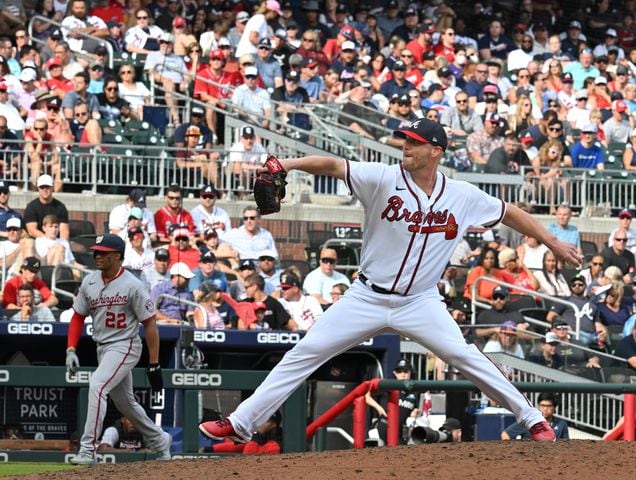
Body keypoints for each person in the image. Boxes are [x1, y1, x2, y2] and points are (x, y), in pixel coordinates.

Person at [199, 118, 581, 444]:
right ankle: (241, 422)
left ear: (436, 150)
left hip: (420, 302)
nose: (406, 147)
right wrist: (288, 162)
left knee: (463, 355)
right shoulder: (382, 178)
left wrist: (551, 240)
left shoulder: (462, 195)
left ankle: (532, 418)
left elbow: (509, 212)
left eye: (414, 143)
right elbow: (333, 165)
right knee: (305, 352)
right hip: (366, 296)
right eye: (405, 141)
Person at [65, 235, 171, 465]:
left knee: (97, 386)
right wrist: (71, 348)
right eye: (96, 252)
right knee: (126, 404)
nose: (97, 256)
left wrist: (154, 363)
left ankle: (87, 450)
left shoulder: (133, 284)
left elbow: (150, 324)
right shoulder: (90, 282)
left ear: (117, 256)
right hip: (102, 347)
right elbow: (77, 317)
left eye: (103, 252)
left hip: (126, 344)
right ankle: (161, 441)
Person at [364, 358, 420, 445]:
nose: (402, 374)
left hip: (400, 430)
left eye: (405, 371)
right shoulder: (388, 386)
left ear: (410, 373)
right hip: (383, 426)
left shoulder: (414, 392)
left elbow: (415, 410)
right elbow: (365, 395)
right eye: (399, 371)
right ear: (395, 373)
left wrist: (414, 413)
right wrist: (378, 408)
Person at [502, 392, 569, 440]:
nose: (545, 409)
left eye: (548, 406)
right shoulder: (529, 420)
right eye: (542, 405)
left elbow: (566, 444)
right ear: (538, 406)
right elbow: (505, 435)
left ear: (554, 407)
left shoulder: (561, 423)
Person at [23, 174, 69, 240]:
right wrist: (48, 240)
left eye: (47, 187)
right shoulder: (31, 207)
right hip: (36, 242)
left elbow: (64, 231)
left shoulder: (60, 207)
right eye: (42, 187)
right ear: (38, 188)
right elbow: (32, 231)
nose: (45, 189)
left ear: (52, 188)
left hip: (56, 241)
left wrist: (62, 243)